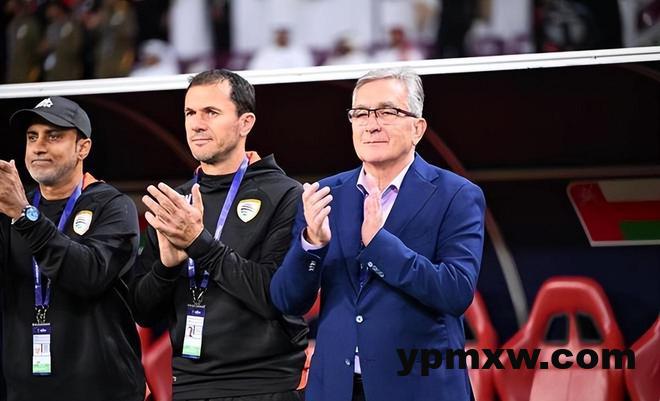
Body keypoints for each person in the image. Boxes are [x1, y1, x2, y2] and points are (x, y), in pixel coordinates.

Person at [270, 67, 486, 401]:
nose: (371, 124)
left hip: (419, 388)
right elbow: (287, 300)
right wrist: (311, 245)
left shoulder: (456, 194)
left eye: (387, 112)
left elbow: (455, 292)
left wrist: (380, 245)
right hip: (336, 389)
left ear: (417, 128)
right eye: (360, 113)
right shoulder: (325, 195)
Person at [132, 69, 307, 401]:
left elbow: (275, 297)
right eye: (190, 113)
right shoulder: (175, 203)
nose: (197, 124)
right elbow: (144, 312)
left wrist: (199, 243)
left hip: (265, 385)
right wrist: (166, 269)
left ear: (245, 123)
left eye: (211, 112)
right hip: (189, 385)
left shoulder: (285, 194)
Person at [0, 96, 145, 401]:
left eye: (53, 136)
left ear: (83, 148)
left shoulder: (113, 206)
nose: (39, 147)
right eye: (32, 137)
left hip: (101, 391)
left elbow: (88, 274)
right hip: (25, 391)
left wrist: (25, 216)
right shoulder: (10, 209)